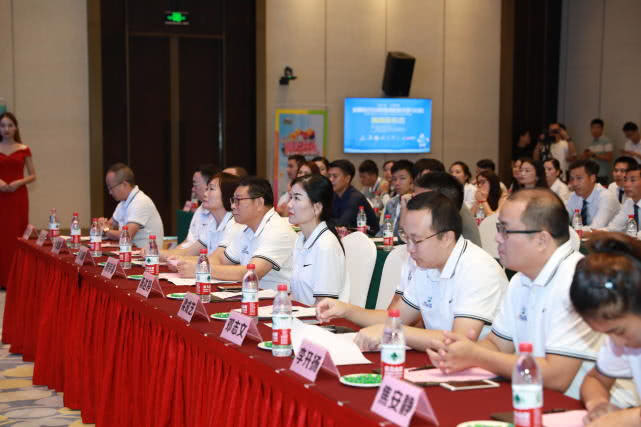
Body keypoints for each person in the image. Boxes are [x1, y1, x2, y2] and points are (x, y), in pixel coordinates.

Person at [425, 188, 603, 398]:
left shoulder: (577, 281)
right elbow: (497, 345)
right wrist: (459, 351)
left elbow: (556, 377)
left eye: (505, 230)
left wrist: (476, 355)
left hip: (586, 406)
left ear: (541, 240)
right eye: (498, 228)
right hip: (533, 394)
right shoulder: (521, 279)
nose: (497, 238)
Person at [316, 191, 507, 351]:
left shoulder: (478, 269)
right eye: (406, 238)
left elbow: (459, 342)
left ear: (447, 237)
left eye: (416, 240)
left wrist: (394, 331)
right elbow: (394, 318)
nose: (409, 249)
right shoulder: (426, 265)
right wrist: (346, 309)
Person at [569, 234, 641, 425]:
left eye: (619, 331)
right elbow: (596, 380)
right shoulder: (626, 332)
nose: (616, 343)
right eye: (607, 334)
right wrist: (599, 404)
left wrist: (621, 419)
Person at [207, 177, 297, 289]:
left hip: (276, 297)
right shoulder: (246, 228)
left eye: (238, 200)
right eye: (233, 200)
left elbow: (251, 273)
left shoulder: (278, 230)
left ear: (259, 203)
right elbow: (221, 260)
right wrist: (192, 265)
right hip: (252, 294)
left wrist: (204, 269)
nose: (232, 206)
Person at [287, 174, 348, 305]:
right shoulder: (300, 239)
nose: (289, 204)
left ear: (317, 208)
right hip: (302, 313)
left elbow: (324, 305)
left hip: (320, 316)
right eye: (290, 197)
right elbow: (296, 294)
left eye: (297, 198)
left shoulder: (326, 245)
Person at [169, 173, 244, 276]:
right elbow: (190, 252)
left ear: (227, 194)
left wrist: (185, 261)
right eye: (206, 189)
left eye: (211, 189)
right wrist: (180, 259)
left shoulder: (234, 224)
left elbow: (217, 260)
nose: (205, 193)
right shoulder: (212, 223)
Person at [0, 112, 36, 287]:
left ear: (16, 128)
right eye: (2, 125)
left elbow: (33, 175)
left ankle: (16, 279)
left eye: (10, 125)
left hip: (18, 196)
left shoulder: (24, 149)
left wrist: (18, 182)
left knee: (17, 234)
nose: (6, 129)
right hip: (0, 195)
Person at [102, 163, 164, 248]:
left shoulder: (140, 201)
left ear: (124, 185)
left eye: (111, 188)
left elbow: (127, 235)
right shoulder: (123, 202)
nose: (110, 192)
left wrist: (105, 230)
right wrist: (102, 224)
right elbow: (110, 225)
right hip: (129, 250)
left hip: (146, 254)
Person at [328, 159, 380, 235]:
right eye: (329, 176)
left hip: (370, 238)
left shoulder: (355, 198)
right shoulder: (333, 195)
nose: (330, 179)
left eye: (335, 176)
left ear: (347, 179)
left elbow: (342, 224)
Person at [567, 160, 619, 229]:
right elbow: (561, 220)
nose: (574, 183)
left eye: (579, 178)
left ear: (592, 178)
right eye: (572, 179)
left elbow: (595, 229)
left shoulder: (606, 197)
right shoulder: (574, 196)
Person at [178, 165, 217, 249]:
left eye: (195, 184)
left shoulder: (223, 216)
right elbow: (188, 242)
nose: (192, 189)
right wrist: (170, 253)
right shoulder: (200, 209)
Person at [378, 160, 414, 237]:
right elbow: (382, 231)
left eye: (402, 178)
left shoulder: (417, 203)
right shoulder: (391, 203)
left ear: (412, 180)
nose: (397, 183)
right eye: (394, 179)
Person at [607, 164, 641, 233]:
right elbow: (613, 228)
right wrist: (593, 233)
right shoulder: (629, 202)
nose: (626, 184)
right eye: (625, 180)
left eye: (632, 180)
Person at [583, 118, 613, 185]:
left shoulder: (607, 141)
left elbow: (609, 157)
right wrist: (586, 155)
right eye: (593, 128)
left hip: (603, 175)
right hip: (592, 174)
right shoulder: (590, 143)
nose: (595, 130)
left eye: (597, 127)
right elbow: (588, 159)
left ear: (602, 129)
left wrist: (594, 155)